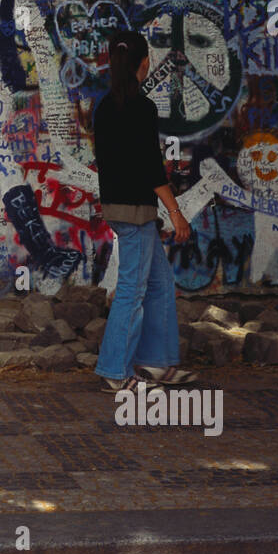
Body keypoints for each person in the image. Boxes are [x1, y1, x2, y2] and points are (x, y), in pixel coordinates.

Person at [91, 29, 196, 392]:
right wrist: (177, 213)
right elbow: (152, 168)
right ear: (143, 62)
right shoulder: (142, 107)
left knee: (159, 283)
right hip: (137, 211)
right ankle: (115, 371)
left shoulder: (104, 107)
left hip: (119, 206)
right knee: (133, 290)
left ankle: (157, 362)